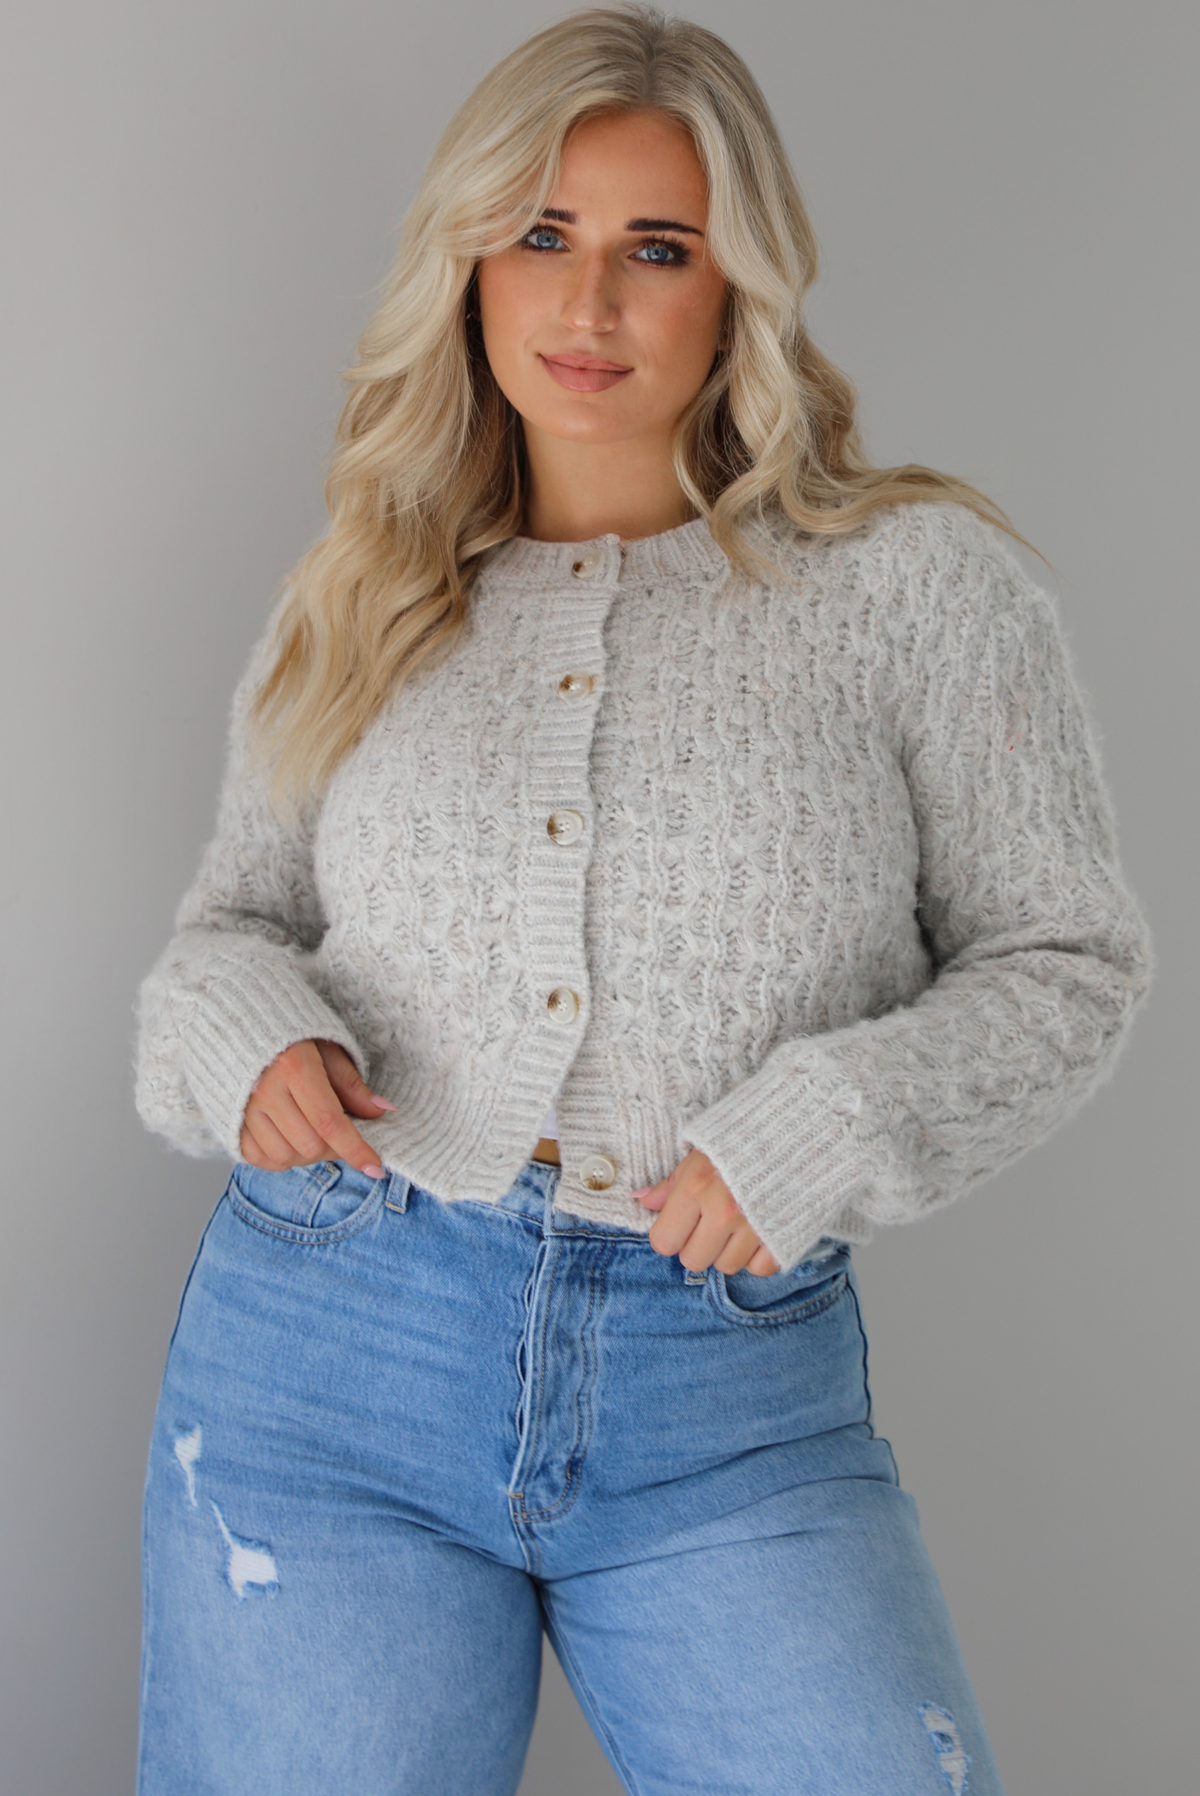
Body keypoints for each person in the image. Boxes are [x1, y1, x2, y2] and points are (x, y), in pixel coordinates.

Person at [132, 8, 1151, 1792]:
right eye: (541, 236)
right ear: (468, 266)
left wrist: (826, 1123)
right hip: (329, 1356)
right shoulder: (361, 592)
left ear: (737, 286)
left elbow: (1065, 962)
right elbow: (224, 928)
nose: (586, 305)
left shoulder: (916, 587)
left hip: (727, 1402)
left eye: (652, 250)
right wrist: (245, 1038)